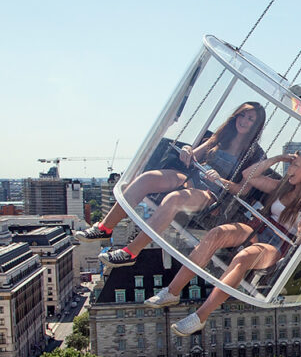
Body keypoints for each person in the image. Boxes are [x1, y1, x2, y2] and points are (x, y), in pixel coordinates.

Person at [141, 151, 301, 336]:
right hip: (259, 229)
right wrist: (278, 159)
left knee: (244, 257)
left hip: (279, 243)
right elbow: (249, 176)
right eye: (290, 164)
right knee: (216, 234)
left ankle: (200, 317)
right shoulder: (282, 188)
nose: (290, 169)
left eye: (295, 165)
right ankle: (172, 291)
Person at [75, 102, 267, 267]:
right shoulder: (222, 135)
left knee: (174, 199)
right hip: (191, 176)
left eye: (250, 119)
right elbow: (194, 155)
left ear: (256, 125)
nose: (244, 121)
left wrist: (220, 180)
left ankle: (130, 252)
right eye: (242, 115)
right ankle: (104, 228)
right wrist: (187, 151)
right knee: (147, 178)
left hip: (211, 193)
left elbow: (243, 190)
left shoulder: (254, 154)